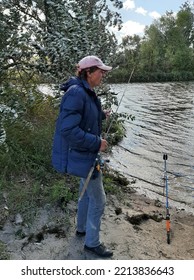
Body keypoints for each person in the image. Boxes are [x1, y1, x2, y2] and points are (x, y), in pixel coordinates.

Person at [52, 55, 113, 258]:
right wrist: (97, 143)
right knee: (99, 200)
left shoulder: (85, 91)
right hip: (84, 156)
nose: (103, 75)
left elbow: (84, 115)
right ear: (88, 73)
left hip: (84, 156)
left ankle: (81, 229)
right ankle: (92, 243)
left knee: (86, 192)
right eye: (100, 71)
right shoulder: (77, 93)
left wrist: (101, 114)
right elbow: (68, 130)